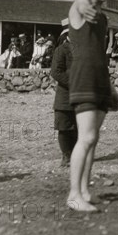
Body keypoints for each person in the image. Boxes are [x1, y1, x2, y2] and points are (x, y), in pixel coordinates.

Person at [67, 0, 118, 213]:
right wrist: (87, 6)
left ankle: (86, 191)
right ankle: (74, 194)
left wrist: (110, 87)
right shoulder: (80, 4)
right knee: (86, 137)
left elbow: (99, 53)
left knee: (93, 139)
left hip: (99, 79)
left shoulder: (104, 18)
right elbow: (81, 3)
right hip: (83, 78)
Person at [51, 19, 77, 167]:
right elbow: (56, 72)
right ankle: (66, 156)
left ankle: (78, 155)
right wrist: (75, 83)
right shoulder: (61, 50)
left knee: (80, 128)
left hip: (82, 97)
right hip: (65, 97)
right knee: (64, 127)